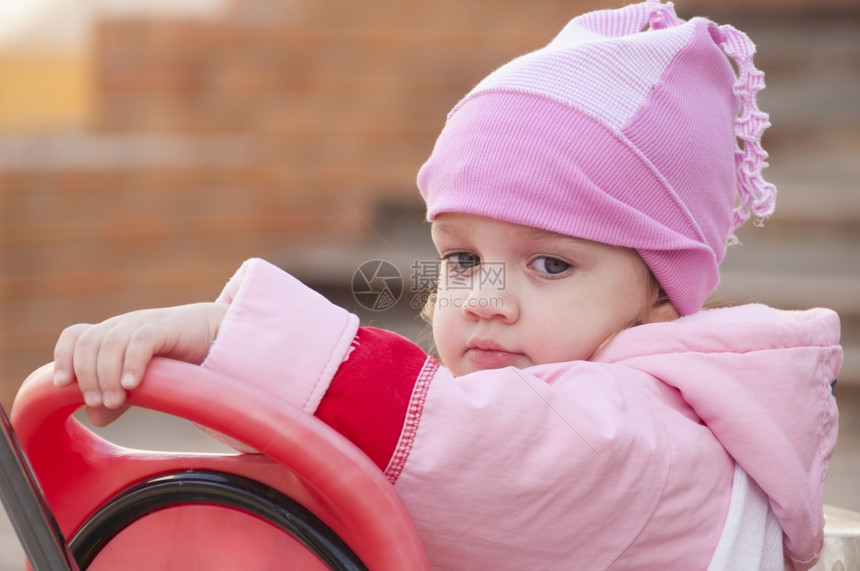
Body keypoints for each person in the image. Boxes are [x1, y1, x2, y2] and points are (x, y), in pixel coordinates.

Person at [50, 1, 842, 569]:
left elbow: (468, 445)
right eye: (462, 259)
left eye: (551, 263)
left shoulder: (642, 440)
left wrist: (223, 337)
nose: (486, 297)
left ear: (659, 300)